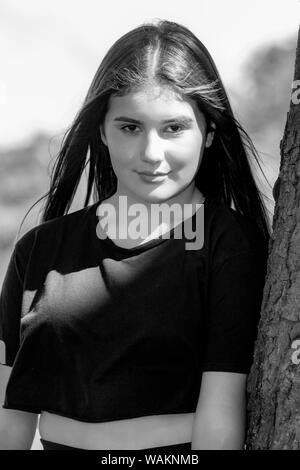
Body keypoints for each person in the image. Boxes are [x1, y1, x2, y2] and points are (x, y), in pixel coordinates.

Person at [0, 19, 271, 451]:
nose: (151, 153)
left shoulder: (231, 246)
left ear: (210, 133)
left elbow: (220, 416)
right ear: (102, 131)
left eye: (173, 128)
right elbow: (10, 416)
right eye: (130, 127)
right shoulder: (40, 248)